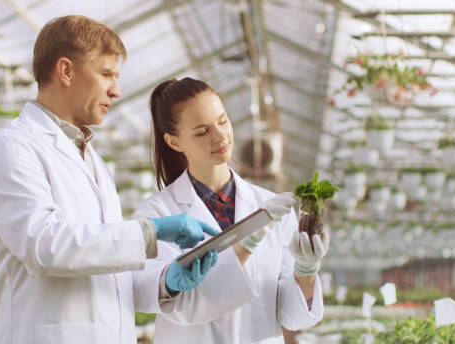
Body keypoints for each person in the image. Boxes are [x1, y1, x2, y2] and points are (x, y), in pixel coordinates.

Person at [0, 16, 218, 344]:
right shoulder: (11, 148)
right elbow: (45, 246)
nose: (116, 90)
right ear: (66, 71)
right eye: (106, 74)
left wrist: (166, 281)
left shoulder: (93, 161)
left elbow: (106, 271)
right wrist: (150, 233)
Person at [132, 77, 328, 343]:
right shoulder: (157, 214)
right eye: (202, 132)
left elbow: (291, 317)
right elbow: (180, 307)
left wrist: (305, 273)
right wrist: (244, 243)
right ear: (174, 142)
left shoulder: (271, 208)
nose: (220, 136)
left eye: (223, 121)